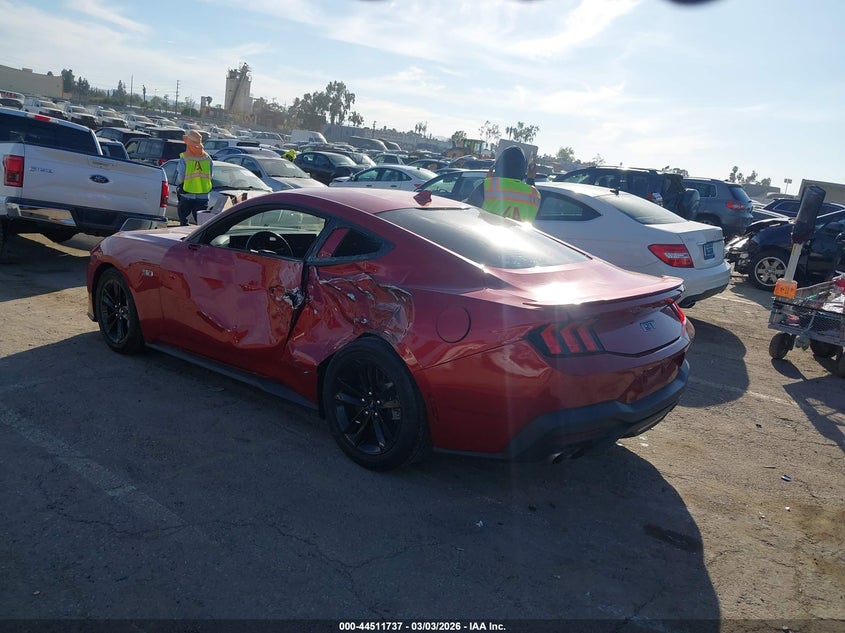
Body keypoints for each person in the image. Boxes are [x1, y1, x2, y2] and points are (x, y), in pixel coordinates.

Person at [465, 145, 541, 222]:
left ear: (498, 165)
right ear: (523, 169)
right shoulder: (534, 194)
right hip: (518, 230)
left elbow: (468, 211)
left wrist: (488, 181)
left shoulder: (487, 186)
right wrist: (530, 179)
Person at [174, 130, 213, 226]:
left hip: (187, 194)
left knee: (184, 222)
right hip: (203, 195)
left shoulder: (185, 157)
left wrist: (180, 185)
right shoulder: (207, 158)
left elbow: (181, 177)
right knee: (201, 224)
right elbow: (210, 175)